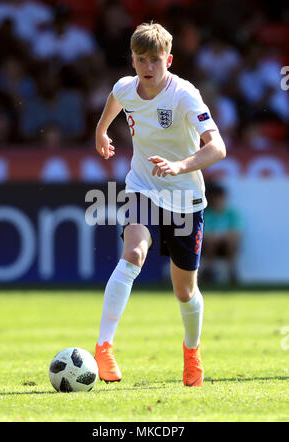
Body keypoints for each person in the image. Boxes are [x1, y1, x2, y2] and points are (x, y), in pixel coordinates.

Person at [94, 23, 226, 387]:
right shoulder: (126, 86)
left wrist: (181, 165)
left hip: (185, 197)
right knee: (133, 254)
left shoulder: (184, 95)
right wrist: (101, 130)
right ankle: (104, 346)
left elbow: (218, 147)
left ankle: (192, 352)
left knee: (184, 290)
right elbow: (116, 99)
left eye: (155, 59)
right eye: (140, 59)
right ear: (132, 60)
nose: (147, 66)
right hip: (142, 187)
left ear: (168, 59)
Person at [202, 183, 241, 284]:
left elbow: (236, 233)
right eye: (215, 198)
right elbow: (205, 235)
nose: (218, 200)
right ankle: (208, 271)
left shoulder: (232, 214)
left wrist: (219, 236)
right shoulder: (207, 214)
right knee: (210, 242)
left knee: (232, 241)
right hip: (209, 245)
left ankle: (232, 271)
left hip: (227, 245)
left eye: (220, 197)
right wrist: (221, 236)